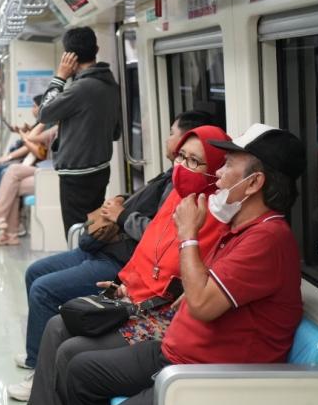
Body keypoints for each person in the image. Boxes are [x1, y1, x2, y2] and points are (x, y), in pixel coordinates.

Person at [65, 124, 306, 405]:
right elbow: (204, 290)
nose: (218, 173)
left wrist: (188, 234)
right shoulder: (240, 230)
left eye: (229, 165)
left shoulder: (268, 239)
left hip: (207, 381)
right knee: (80, 370)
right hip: (176, 356)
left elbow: (204, 304)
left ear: (255, 183)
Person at [17, 125, 230, 405]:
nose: (182, 167)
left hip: (158, 311)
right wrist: (123, 283)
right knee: (59, 324)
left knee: (72, 350)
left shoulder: (214, 215)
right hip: (134, 295)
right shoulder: (174, 195)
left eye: (195, 162)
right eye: (182, 158)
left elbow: (185, 275)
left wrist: (137, 297)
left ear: (215, 169)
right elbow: (147, 249)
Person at [13, 111, 215, 374]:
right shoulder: (169, 177)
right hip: (105, 249)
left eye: (172, 134)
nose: (170, 143)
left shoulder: (191, 197)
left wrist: (122, 216)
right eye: (181, 155)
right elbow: (147, 209)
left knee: (43, 289)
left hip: (119, 257)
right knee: (34, 272)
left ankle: (39, 368)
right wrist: (120, 200)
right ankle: (36, 356)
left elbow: (159, 236)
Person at [39, 27, 121, 234]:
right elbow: (115, 132)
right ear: (97, 49)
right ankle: (89, 263)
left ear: (69, 56)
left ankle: (82, 264)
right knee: (94, 229)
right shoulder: (110, 83)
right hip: (100, 168)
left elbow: (44, 113)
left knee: (76, 231)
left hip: (77, 172)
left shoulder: (81, 88)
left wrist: (60, 77)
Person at [0, 126, 58, 246]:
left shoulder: (60, 127)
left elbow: (31, 138)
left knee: (12, 175)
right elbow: (32, 138)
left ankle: (1, 221)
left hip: (56, 175)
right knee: (13, 178)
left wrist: (41, 123)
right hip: (49, 171)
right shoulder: (57, 126)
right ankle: (8, 232)